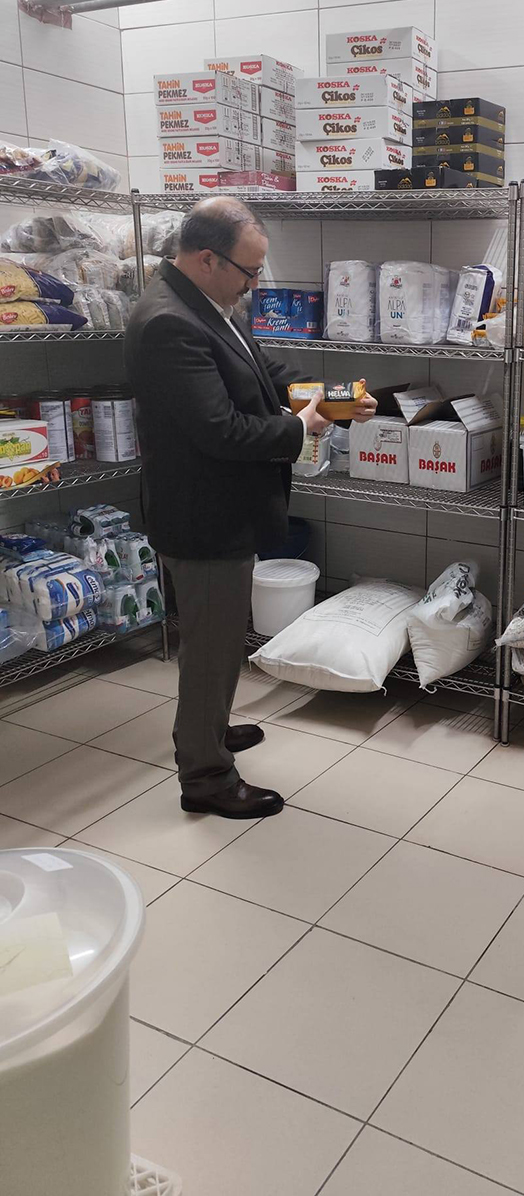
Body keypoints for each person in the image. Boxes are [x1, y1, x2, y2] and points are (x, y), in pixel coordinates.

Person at [124, 196, 376, 820]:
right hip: (202, 516)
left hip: (223, 508)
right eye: (250, 270)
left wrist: (338, 399)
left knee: (218, 637)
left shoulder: (208, 304)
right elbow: (221, 431)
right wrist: (300, 428)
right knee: (211, 648)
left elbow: (267, 373)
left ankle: (207, 729)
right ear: (208, 259)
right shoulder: (168, 322)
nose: (255, 284)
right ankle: (206, 776)